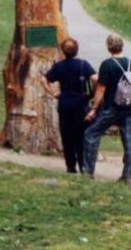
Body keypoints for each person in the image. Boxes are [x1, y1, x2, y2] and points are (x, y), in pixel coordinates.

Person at [83, 34, 131, 182]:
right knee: (129, 142)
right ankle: (127, 176)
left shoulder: (107, 64)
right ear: (122, 46)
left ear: (108, 47)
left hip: (111, 108)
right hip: (128, 107)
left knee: (91, 134)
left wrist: (94, 108)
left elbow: (101, 89)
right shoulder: (129, 63)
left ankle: (88, 172)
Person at [41, 38, 97, 174]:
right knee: (81, 135)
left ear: (63, 51)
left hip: (65, 103)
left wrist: (53, 93)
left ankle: (70, 166)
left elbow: (44, 79)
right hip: (80, 103)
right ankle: (83, 165)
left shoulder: (59, 66)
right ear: (76, 50)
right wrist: (93, 93)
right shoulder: (83, 65)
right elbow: (95, 78)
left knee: (67, 136)